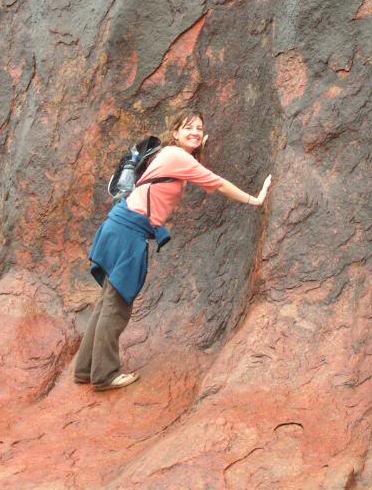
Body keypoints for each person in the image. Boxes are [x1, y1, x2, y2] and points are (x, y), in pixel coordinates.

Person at [73, 110, 272, 391]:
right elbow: (218, 183)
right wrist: (256, 199)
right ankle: (104, 375)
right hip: (128, 231)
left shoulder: (172, 156)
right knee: (116, 307)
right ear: (174, 133)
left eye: (199, 129)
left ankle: (85, 369)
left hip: (119, 225)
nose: (194, 132)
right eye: (187, 127)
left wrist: (200, 145)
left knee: (108, 302)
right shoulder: (176, 156)